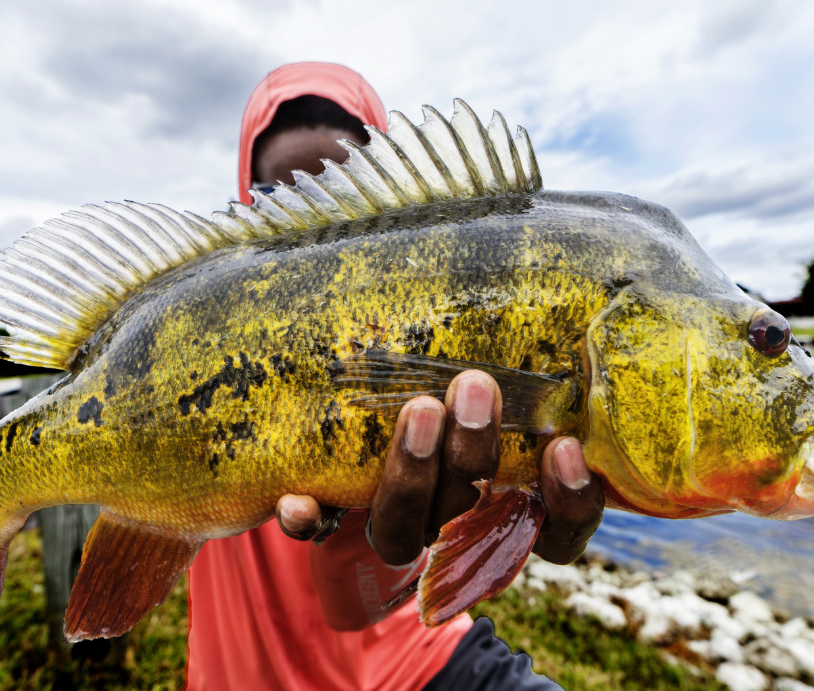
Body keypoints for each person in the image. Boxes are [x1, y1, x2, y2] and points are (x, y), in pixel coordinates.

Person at [184, 62, 605, 690]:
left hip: (417, 664)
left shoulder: (438, 325)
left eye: (348, 191)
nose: (319, 220)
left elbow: (357, 607)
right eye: (284, 197)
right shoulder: (202, 337)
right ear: (248, 209)